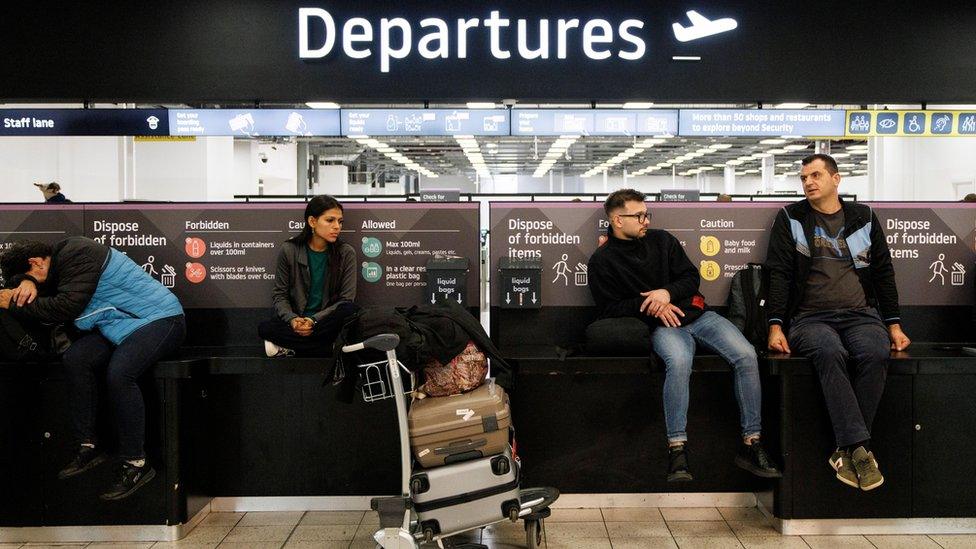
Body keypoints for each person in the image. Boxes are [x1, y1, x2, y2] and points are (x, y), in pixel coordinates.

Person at [587, 188, 781, 482]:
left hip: (699, 316)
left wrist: (665, 293)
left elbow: (691, 277)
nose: (645, 221)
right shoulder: (602, 261)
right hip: (662, 327)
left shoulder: (663, 241)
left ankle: (751, 443)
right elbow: (608, 307)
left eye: (646, 214)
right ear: (616, 220)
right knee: (678, 362)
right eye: (638, 215)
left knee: (746, 355)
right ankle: (677, 450)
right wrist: (650, 306)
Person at [765, 154, 910, 491]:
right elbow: (780, 275)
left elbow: (883, 272)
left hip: (861, 314)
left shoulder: (864, 217)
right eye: (803, 178)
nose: (808, 183)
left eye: (815, 175)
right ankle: (860, 449)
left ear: (836, 179)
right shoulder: (791, 218)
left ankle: (846, 449)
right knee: (829, 351)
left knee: (876, 352)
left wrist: (894, 324)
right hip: (809, 318)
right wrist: (775, 325)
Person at [0, 237, 184, 500]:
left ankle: (136, 463)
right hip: (118, 328)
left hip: (160, 319)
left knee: (120, 374)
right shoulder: (53, 269)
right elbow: (41, 290)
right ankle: (90, 445)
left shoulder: (76, 253)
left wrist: (14, 302)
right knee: (76, 359)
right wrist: (27, 281)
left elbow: (65, 307)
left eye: (29, 278)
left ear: (36, 261)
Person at [259, 195, 358, 357]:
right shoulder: (289, 249)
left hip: (325, 322)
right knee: (264, 327)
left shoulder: (346, 253)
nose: (337, 227)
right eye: (330, 220)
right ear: (312, 222)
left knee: (350, 311)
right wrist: (293, 320)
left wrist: (314, 320)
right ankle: (328, 347)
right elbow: (280, 295)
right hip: (297, 322)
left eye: (340, 222)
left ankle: (290, 347)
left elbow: (346, 300)